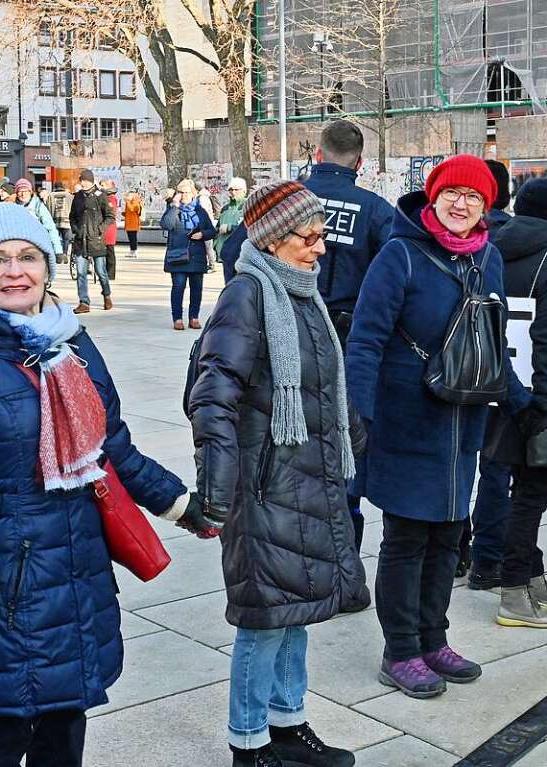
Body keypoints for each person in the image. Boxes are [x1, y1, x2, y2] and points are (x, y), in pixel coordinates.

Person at [0, 202, 215, 767]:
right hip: (6, 575)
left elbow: (112, 446)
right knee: (3, 731)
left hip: (77, 568)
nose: (15, 272)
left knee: (64, 725)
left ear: (48, 267)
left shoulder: (72, 345)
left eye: (28, 257)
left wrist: (178, 503)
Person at [189, 181, 369, 767]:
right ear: (271, 239)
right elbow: (212, 395)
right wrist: (215, 486)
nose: (320, 248)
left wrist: (351, 440)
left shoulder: (302, 294)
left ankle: (288, 725)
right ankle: (249, 742)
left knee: (298, 609)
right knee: (265, 618)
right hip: (265, 485)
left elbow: (324, 388)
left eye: (322, 236)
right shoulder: (248, 295)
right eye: (307, 237)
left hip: (308, 478)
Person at [346, 155, 535, 698]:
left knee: (449, 535)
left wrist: (523, 400)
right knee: (407, 539)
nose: (460, 204)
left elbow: (490, 342)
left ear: (486, 207)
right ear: (432, 197)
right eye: (451, 193)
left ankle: (434, 639)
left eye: (473, 197)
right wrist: (361, 417)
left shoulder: (489, 258)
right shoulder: (399, 255)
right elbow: (365, 341)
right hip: (407, 421)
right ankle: (400, 648)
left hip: (464, 423)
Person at [482, 178, 547, 627]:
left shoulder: (488, 251)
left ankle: (533, 577)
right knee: (531, 494)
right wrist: (544, 399)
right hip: (534, 391)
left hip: (490, 386)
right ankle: (514, 591)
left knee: (505, 485)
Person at [303, 119, 395, 551]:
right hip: (352, 339)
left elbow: (234, 255)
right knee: (349, 437)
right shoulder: (375, 209)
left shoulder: (288, 201)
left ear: (318, 155)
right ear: (360, 162)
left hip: (294, 332)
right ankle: (346, 547)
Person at [463, 159, 516, 587]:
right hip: (500, 368)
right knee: (496, 469)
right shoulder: (514, 240)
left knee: (458, 463)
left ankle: (455, 550)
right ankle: (486, 559)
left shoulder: (459, 241)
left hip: (455, 370)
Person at [161, 179, 215, 330]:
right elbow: (166, 225)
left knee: (196, 289)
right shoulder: (173, 209)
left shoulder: (200, 211)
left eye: (186, 192)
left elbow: (212, 231)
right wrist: (175, 206)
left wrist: (202, 234)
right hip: (177, 256)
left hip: (196, 255)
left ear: (193, 194)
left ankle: (194, 317)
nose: (183, 195)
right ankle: (177, 318)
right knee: (178, 287)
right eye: (180, 192)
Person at [70, 169, 114, 314]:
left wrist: (100, 229)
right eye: (81, 180)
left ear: (92, 181)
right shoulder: (77, 197)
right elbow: (72, 216)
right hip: (80, 241)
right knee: (81, 273)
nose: (83, 183)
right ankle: (84, 302)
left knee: (101, 271)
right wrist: (76, 229)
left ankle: (106, 295)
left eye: (86, 180)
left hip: (96, 240)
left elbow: (110, 216)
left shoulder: (100, 196)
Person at [15, 178, 63, 261]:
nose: (23, 194)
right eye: (20, 191)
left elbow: (50, 228)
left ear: (30, 192)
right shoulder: (12, 207)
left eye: (26, 191)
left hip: (36, 246)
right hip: (17, 248)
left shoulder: (38, 206)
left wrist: (58, 251)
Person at [215, 178, 246, 266]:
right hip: (224, 253)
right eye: (231, 189)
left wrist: (229, 227)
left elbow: (249, 227)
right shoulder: (225, 208)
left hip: (240, 253)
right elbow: (217, 229)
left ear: (244, 191)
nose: (233, 192)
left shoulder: (247, 206)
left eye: (236, 189)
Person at [48, 182, 74, 260]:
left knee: (56, 239)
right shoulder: (69, 196)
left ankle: (58, 254)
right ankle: (65, 254)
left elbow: (48, 208)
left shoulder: (50, 196)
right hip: (67, 221)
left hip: (54, 221)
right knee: (66, 239)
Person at [101, 180, 120, 280]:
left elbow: (110, 213)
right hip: (105, 227)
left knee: (109, 251)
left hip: (109, 228)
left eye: (103, 185)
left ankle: (110, 274)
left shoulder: (111, 198)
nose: (101, 187)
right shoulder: (105, 197)